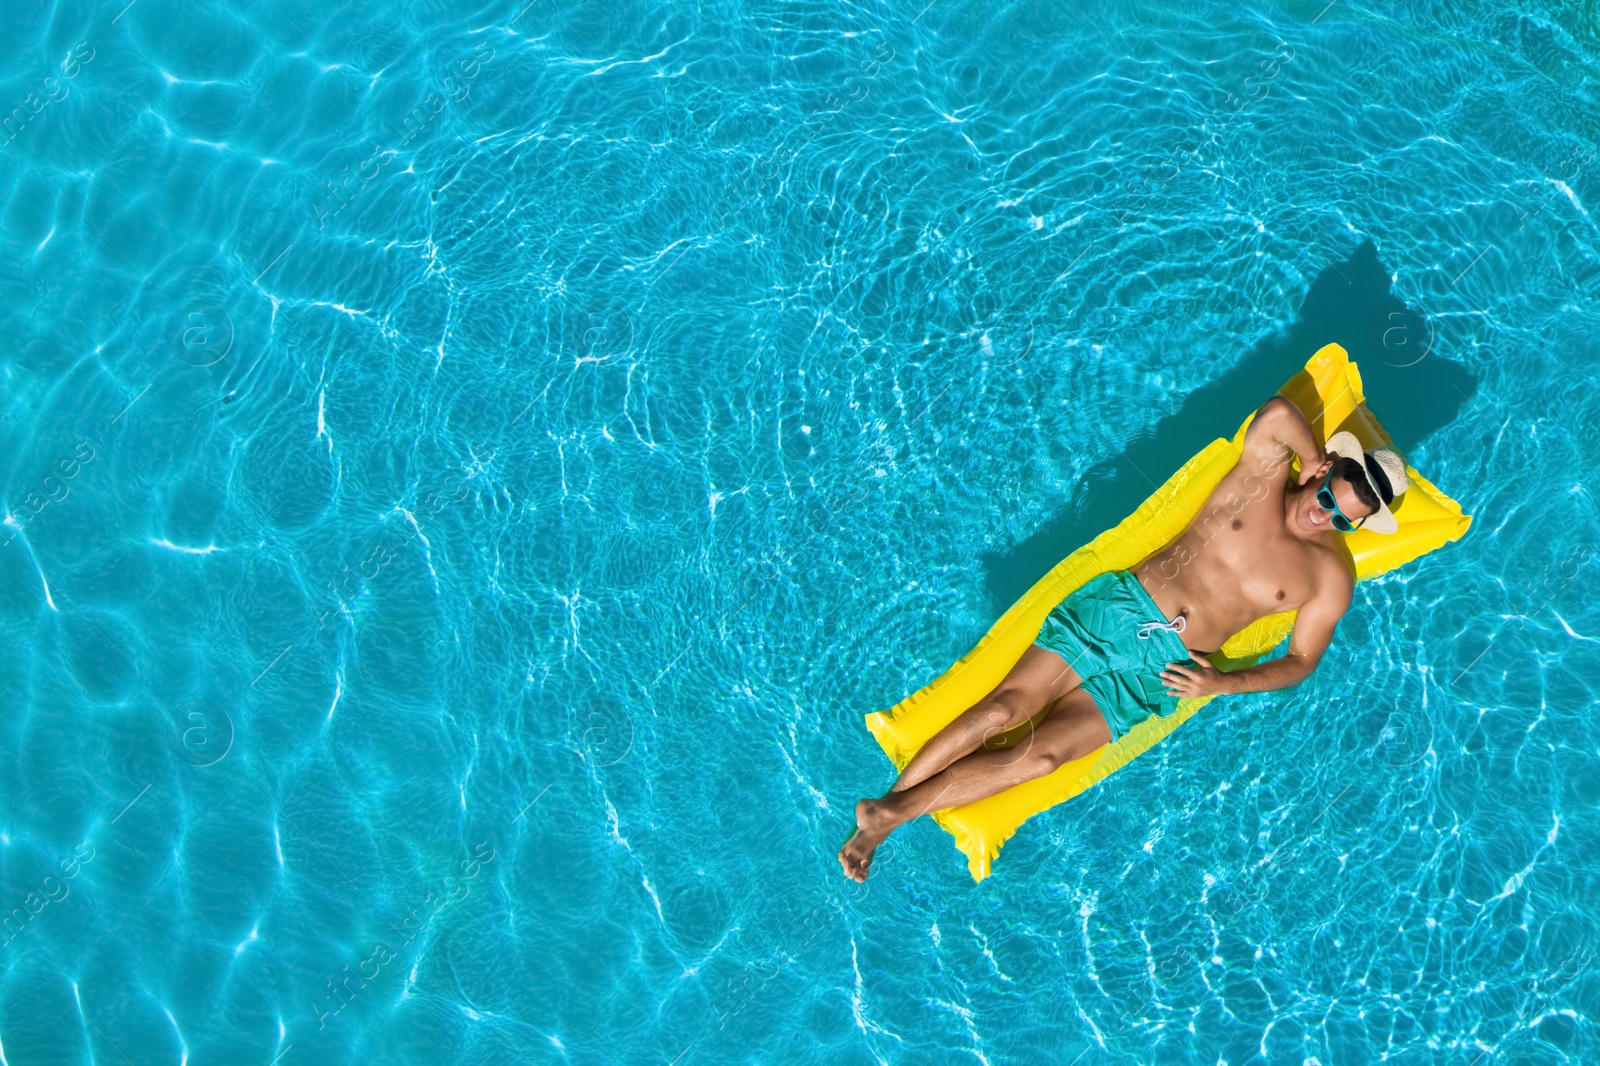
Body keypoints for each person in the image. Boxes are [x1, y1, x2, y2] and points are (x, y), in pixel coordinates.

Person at [838, 396, 1409, 882]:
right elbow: (1280, 412)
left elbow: (1302, 661)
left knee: (1043, 759)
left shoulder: (1332, 576)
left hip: (1161, 674)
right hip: (1117, 613)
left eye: (1341, 519)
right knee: (1004, 712)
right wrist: (1311, 459)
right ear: (1328, 472)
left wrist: (1223, 682)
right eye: (1328, 495)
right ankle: (883, 822)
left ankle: (888, 816)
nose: (1321, 515)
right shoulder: (1263, 476)